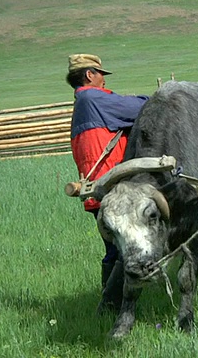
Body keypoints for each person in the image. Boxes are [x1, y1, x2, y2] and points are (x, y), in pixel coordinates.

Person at [66, 54, 149, 311]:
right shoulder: (93, 98)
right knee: (122, 249)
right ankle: (111, 304)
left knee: (115, 247)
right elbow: (138, 109)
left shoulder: (84, 103)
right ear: (90, 75)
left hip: (99, 190)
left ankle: (110, 301)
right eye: (101, 74)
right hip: (111, 189)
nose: (104, 80)